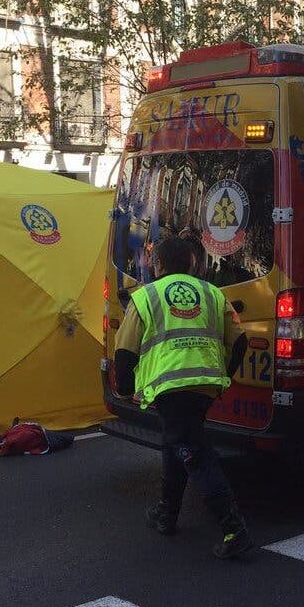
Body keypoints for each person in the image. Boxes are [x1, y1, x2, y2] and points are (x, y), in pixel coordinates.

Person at [113, 235, 251, 558]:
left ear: (157, 264)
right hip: (203, 388)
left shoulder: (146, 297)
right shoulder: (213, 294)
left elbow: (124, 352)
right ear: (191, 262)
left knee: (195, 453)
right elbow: (240, 341)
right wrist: (223, 376)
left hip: (169, 390)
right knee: (176, 443)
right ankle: (167, 513)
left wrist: (123, 388)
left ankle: (234, 530)